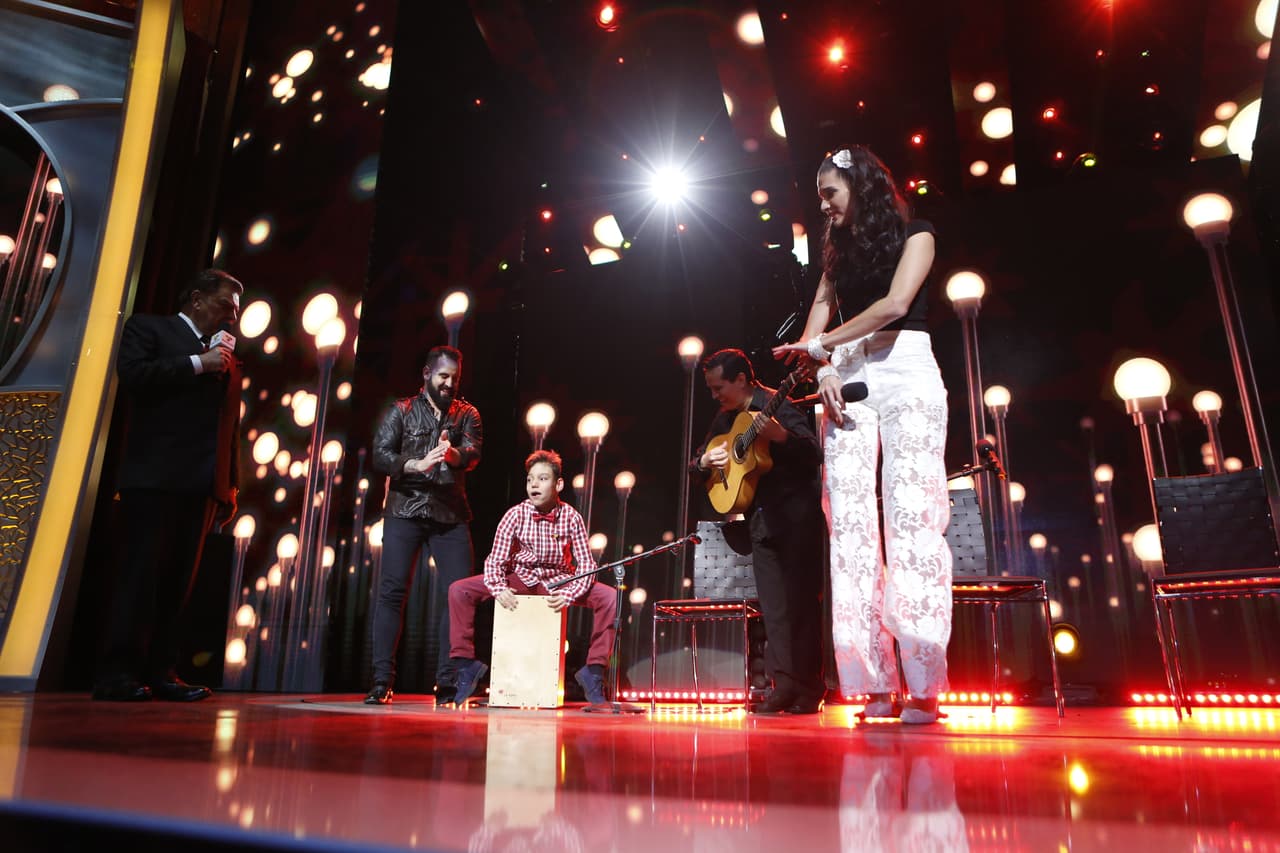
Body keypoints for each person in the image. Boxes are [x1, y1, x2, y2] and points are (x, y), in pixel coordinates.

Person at [774, 146, 951, 724]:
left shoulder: (916, 232)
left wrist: (824, 347)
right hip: (846, 375)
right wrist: (822, 365)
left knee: (912, 517)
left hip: (908, 370)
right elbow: (815, 324)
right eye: (820, 194)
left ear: (862, 185)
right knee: (849, 528)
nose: (823, 204)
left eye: (831, 192)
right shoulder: (833, 253)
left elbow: (895, 304)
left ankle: (924, 686)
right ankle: (872, 684)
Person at [94, 269, 244, 702]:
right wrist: (199, 364)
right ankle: (117, 673)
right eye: (225, 305)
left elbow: (228, 426)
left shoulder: (227, 357)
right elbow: (135, 374)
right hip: (154, 478)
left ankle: (162, 671)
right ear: (196, 299)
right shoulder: (150, 328)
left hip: (200, 485)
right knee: (139, 578)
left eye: (235, 309)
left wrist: (228, 484)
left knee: (180, 582)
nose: (232, 317)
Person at [691, 348, 826, 714]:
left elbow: (813, 453)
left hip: (796, 519)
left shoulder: (775, 404)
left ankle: (809, 689)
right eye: (711, 388)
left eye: (719, 387)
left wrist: (781, 437)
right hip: (760, 523)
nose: (715, 395)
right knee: (775, 609)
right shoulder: (723, 422)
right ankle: (783, 686)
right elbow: (698, 467)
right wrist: (704, 461)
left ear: (741, 380)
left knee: (801, 606)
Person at [446, 450, 616, 707]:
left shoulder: (571, 517)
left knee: (610, 597)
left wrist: (568, 594)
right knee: (460, 590)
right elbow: (496, 560)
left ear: (558, 484)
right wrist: (498, 587)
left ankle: (593, 672)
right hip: (521, 579)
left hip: (558, 583)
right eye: (529, 479)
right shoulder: (515, 514)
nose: (534, 484)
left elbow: (586, 566)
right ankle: (465, 666)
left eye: (542, 478)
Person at [367, 345, 482, 705]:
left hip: (449, 514)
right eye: (442, 376)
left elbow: (474, 452)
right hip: (405, 511)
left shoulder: (467, 414)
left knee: (459, 595)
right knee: (392, 593)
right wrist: (413, 464)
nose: (448, 384)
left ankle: (447, 680)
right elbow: (380, 453)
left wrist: (453, 455)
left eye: (454, 378)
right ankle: (381, 680)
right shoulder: (401, 410)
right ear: (427, 373)